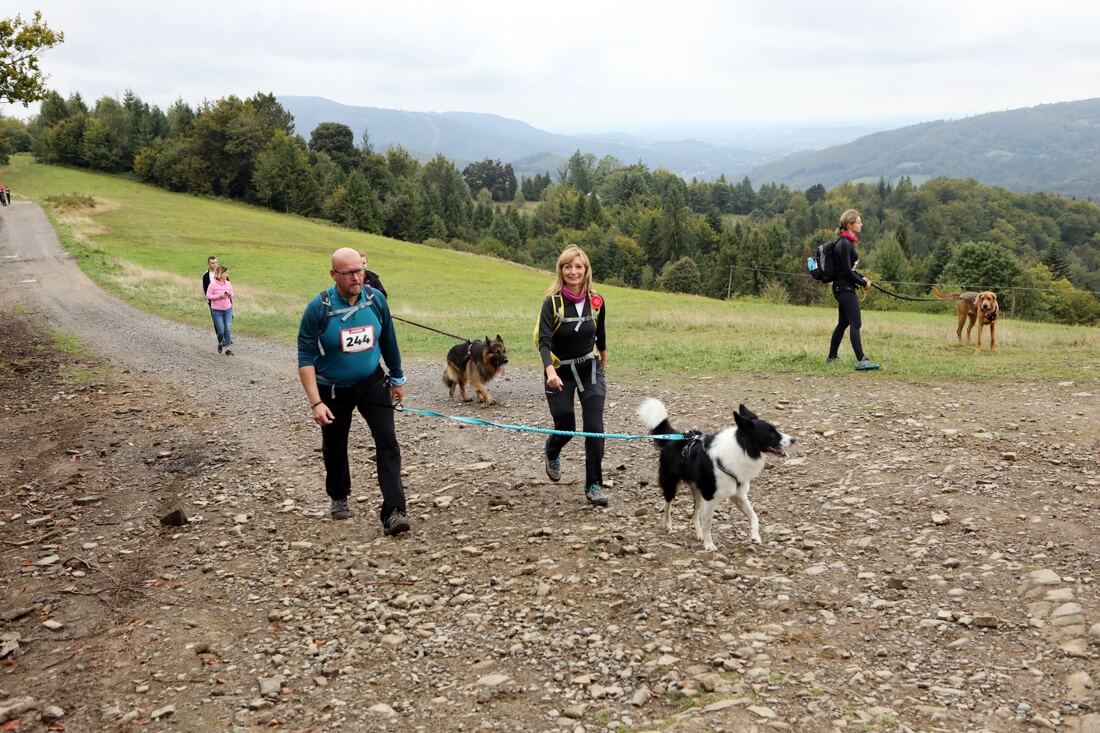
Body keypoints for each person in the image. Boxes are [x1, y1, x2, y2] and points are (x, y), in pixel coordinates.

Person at [297, 247, 410, 535]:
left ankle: (394, 511)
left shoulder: (376, 300)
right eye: (348, 273)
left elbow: (388, 340)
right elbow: (305, 358)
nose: (356, 277)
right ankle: (338, 495)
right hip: (332, 389)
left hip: (372, 383)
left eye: (359, 270)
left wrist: (397, 377)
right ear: (333, 274)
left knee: (388, 442)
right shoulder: (318, 308)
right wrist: (315, 403)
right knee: (335, 444)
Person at [538, 244, 609, 507]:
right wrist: (549, 372)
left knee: (595, 428)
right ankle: (553, 448)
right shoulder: (552, 302)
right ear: (561, 270)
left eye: (578, 266)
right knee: (566, 426)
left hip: (589, 369)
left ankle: (593, 485)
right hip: (559, 372)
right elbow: (544, 342)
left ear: (586, 270)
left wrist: (602, 367)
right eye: (568, 266)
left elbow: (601, 337)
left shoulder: (596, 301)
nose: (573, 271)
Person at [827, 209, 880, 370]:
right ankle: (861, 360)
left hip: (843, 287)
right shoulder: (844, 244)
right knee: (855, 322)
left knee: (843, 323)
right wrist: (863, 283)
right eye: (858, 222)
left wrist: (863, 278)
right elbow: (846, 271)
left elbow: (850, 269)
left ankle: (832, 357)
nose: (861, 224)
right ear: (850, 225)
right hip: (844, 288)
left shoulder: (846, 242)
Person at [205, 265, 235, 355]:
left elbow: (232, 293)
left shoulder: (228, 283)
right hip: (217, 311)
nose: (227, 274)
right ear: (220, 274)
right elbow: (208, 296)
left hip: (228, 309)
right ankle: (220, 342)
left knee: (228, 329)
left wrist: (229, 295)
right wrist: (219, 296)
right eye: (225, 273)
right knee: (221, 330)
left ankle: (227, 349)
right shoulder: (213, 284)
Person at [202, 256, 223, 350]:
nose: (215, 265)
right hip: (213, 302)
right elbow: (204, 289)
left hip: (224, 301)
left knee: (228, 320)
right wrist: (207, 300)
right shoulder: (205, 276)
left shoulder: (222, 273)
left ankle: (226, 337)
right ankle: (220, 340)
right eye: (212, 263)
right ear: (208, 264)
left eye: (216, 262)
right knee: (217, 322)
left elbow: (228, 285)